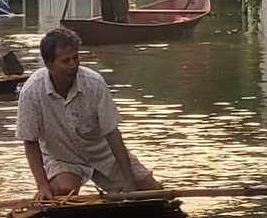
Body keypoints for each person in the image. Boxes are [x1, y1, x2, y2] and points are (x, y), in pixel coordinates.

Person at [17, 27, 163, 201]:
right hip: (62, 157)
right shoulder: (32, 91)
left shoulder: (94, 83)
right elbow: (30, 141)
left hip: (102, 153)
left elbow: (112, 132)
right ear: (49, 65)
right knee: (64, 191)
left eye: (75, 58)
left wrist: (129, 177)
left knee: (153, 191)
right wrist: (42, 185)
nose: (73, 65)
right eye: (65, 61)